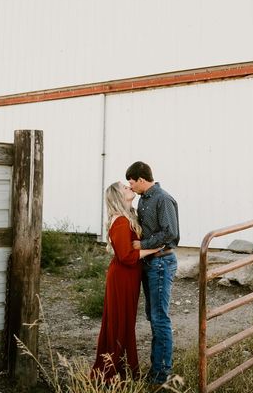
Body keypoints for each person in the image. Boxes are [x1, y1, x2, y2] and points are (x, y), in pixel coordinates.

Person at [91, 182, 162, 382]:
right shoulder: (121, 221)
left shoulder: (127, 217)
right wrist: (156, 249)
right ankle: (114, 371)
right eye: (125, 188)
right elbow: (127, 256)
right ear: (118, 196)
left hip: (128, 276)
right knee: (120, 322)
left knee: (124, 321)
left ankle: (120, 367)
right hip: (122, 276)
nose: (129, 188)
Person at [126, 161, 180, 386]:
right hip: (150, 263)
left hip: (161, 262)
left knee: (160, 318)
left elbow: (170, 233)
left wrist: (142, 244)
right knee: (153, 316)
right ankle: (156, 367)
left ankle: (161, 374)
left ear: (141, 179)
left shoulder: (162, 199)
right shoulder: (143, 200)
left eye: (131, 181)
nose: (130, 186)